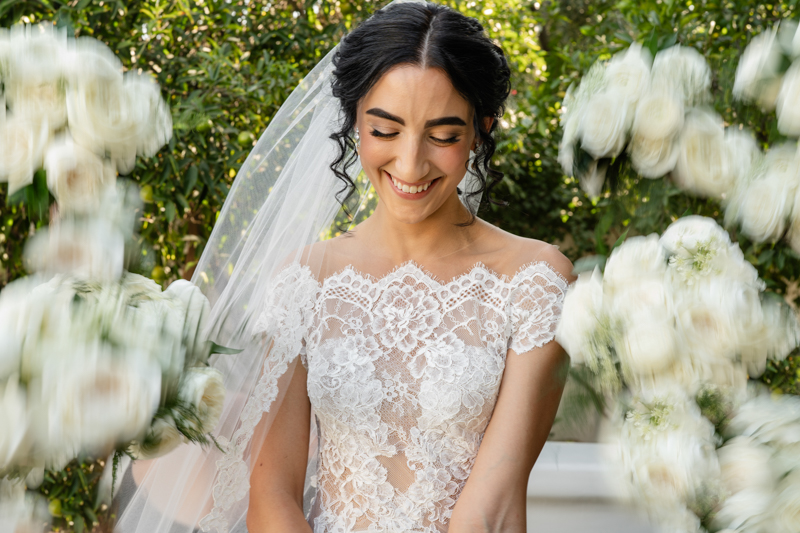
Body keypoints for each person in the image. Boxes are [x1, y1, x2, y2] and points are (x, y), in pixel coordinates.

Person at [114, 2, 574, 532]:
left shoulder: (536, 281)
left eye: (443, 135)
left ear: (480, 129)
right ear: (355, 121)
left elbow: (491, 506)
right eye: (385, 130)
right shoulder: (305, 281)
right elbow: (272, 495)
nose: (409, 163)